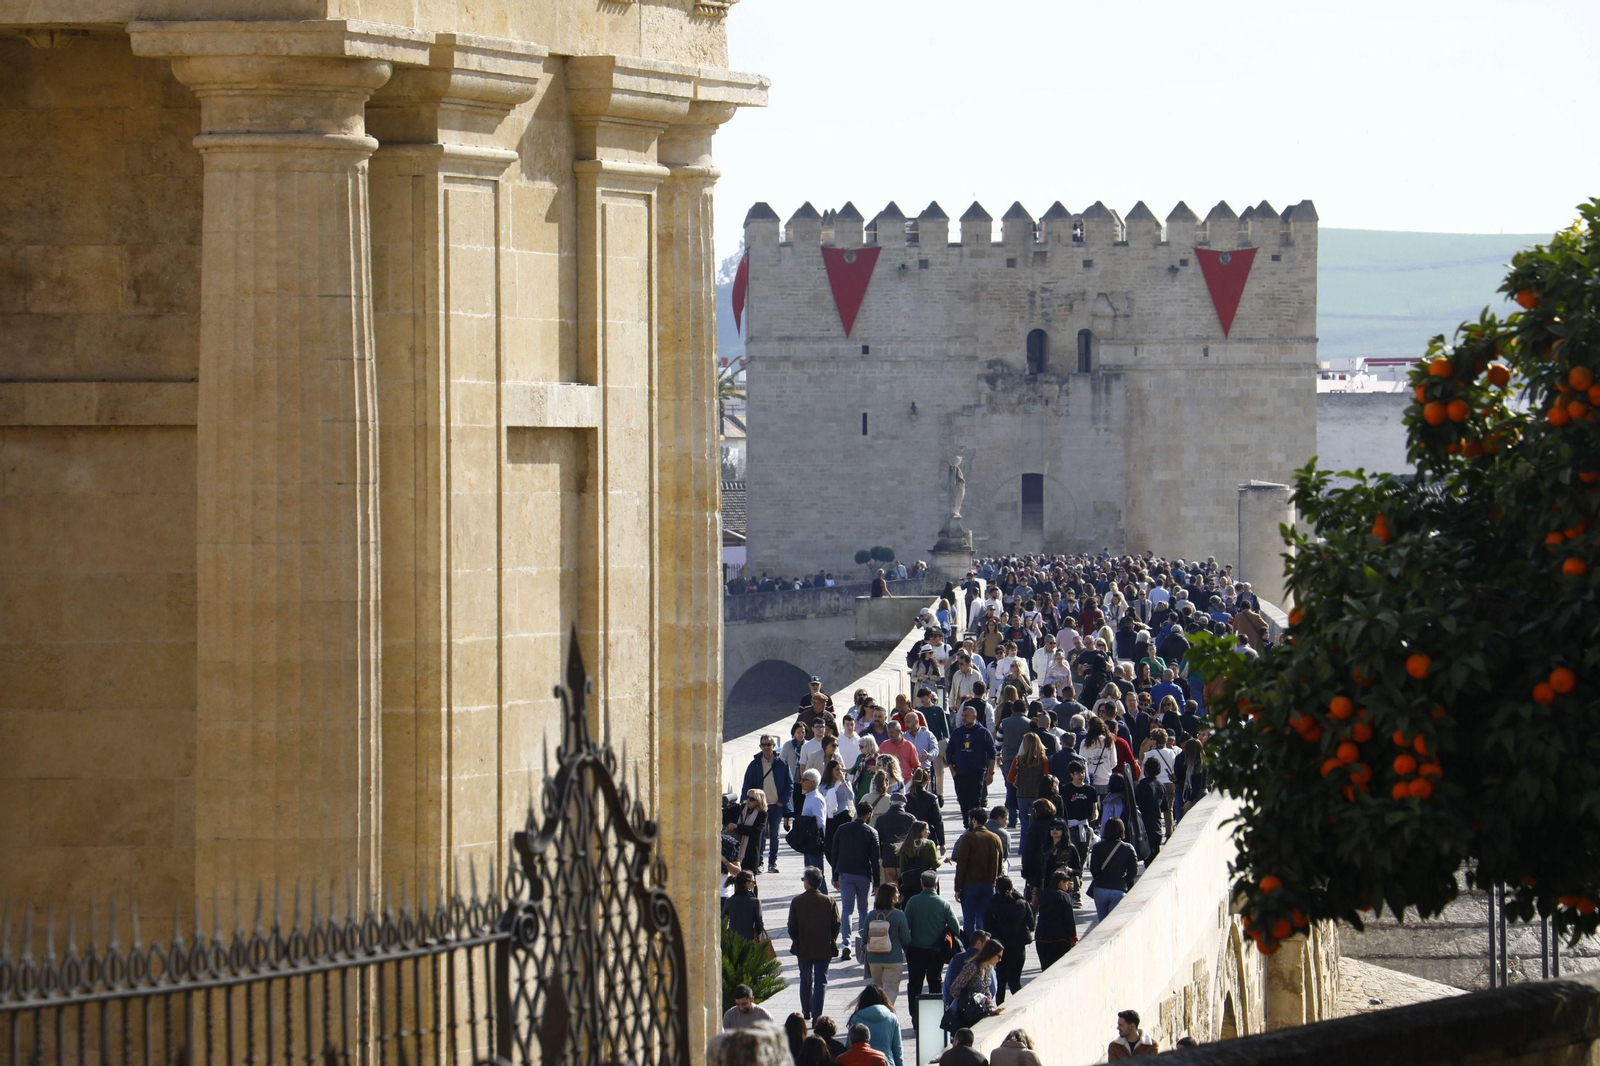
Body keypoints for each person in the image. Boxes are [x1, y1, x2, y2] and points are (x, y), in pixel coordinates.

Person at [830, 801, 882, 960]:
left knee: (846, 910)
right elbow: (875, 859)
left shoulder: (842, 829)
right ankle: (863, 944)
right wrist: (877, 882)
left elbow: (834, 853)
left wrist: (835, 875)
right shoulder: (872, 832)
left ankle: (846, 943)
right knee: (863, 909)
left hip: (845, 873)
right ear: (868, 815)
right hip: (863, 874)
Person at [789, 866, 841, 1021]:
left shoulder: (797, 901)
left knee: (805, 979)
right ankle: (817, 1014)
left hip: (803, 947)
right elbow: (836, 924)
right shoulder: (829, 901)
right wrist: (831, 938)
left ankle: (806, 1009)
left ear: (808, 883)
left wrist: (796, 940)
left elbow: (792, 926)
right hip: (823, 947)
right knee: (820, 982)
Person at [904, 871, 962, 1004]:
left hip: (916, 950)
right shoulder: (943, 903)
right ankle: (935, 1015)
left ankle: (915, 1015)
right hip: (937, 951)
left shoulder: (913, 902)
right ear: (936, 884)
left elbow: (905, 926)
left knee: (915, 984)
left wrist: (906, 945)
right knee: (935, 982)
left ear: (921, 884)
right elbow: (955, 928)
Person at [981, 877, 1034, 1005]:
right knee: (1015, 981)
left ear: (997, 889)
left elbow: (987, 927)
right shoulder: (1021, 902)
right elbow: (1031, 924)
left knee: (1001, 982)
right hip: (1018, 948)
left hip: (1000, 949)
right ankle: (1021, 1005)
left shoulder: (993, 905)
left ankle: (1000, 1007)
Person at [952, 808, 1004, 937]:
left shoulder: (968, 838)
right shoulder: (995, 838)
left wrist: (958, 888)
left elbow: (962, 864)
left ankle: (971, 948)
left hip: (970, 884)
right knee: (985, 919)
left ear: (973, 820)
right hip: (989, 884)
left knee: (969, 920)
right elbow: (1000, 864)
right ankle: (984, 946)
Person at [743, 735, 792, 873]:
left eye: (769, 745)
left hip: (776, 805)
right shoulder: (755, 764)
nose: (766, 748)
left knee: (775, 834)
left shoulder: (782, 763)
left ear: (774, 746)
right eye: (763, 745)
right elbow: (747, 784)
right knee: (760, 834)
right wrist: (746, 802)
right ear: (760, 747)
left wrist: (782, 801)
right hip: (760, 806)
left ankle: (773, 863)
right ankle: (759, 862)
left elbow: (790, 784)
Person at [860, 883, 912, 1005]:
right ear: (891, 897)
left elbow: (864, 938)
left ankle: (878, 1010)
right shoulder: (899, 915)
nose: (899, 894)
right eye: (897, 893)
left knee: (878, 989)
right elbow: (906, 940)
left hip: (873, 958)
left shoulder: (871, 915)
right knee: (891, 989)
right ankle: (886, 1013)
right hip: (893, 958)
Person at [947, 703, 998, 820]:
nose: (964, 718)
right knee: (963, 801)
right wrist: (952, 770)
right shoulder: (957, 732)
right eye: (963, 715)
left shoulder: (983, 732)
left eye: (966, 716)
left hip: (977, 773)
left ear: (974, 717)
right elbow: (949, 752)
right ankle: (966, 824)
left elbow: (992, 753)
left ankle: (975, 826)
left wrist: (990, 772)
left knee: (975, 802)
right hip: (960, 773)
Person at [1088, 817, 1140, 921]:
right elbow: (1134, 871)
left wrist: (1099, 877)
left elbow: (1093, 869)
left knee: (1102, 922)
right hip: (1119, 888)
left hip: (1100, 888)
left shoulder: (1098, 847)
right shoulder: (1128, 848)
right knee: (1113, 922)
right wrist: (1124, 880)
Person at [944, 940, 1005, 1025]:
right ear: (991, 954)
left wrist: (991, 1008)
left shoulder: (988, 969)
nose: (1000, 960)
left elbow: (987, 991)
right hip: (964, 1016)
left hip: (977, 1014)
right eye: (999, 956)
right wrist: (968, 1001)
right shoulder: (972, 967)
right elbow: (954, 989)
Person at [1007, 733, 1049, 848]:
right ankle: (1037, 847)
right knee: (1036, 823)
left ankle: (1023, 848)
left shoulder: (1018, 760)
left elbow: (1010, 778)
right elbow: (1046, 777)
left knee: (1024, 824)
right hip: (1037, 795)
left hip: (1022, 794)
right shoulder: (1043, 760)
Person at [847, 986, 904, 1066]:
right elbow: (898, 1050)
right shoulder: (892, 1018)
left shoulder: (856, 1018)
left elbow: (849, 1046)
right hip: (886, 1062)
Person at [1034, 869, 1079, 970]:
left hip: (1042, 938)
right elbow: (1069, 918)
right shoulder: (1064, 896)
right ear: (1061, 882)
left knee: (1045, 968)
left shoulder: (1043, 893)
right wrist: (1073, 938)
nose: (1067, 886)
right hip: (1059, 939)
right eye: (1066, 883)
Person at [942, 930, 998, 1010]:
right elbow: (993, 989)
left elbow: (947, 987)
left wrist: (948, 1005)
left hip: (954, 1009)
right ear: (979, 943)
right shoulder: (984, 962)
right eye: (987, 945)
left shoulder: (956, 959)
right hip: (976, 1010)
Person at [873, 792, 916, 886]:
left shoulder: (881, 819)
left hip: (888, 859)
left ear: (890, 803)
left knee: (890, 892)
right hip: (905, 860)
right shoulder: (910, 818)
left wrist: (881, 855)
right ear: (904, 805)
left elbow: (876, 840)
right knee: (905, 890)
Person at [796, 769, 829, 878]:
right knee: (809, 876)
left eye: (804, 780)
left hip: (814, 841)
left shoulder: (816, 799)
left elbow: (820, 822)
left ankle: (822, 894)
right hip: (808, 841)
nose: (801, 782)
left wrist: (805, 826)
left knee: (816, 876)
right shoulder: (809, 797)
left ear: (811, 782)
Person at [904, 768, 946, 853]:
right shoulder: (932, 798)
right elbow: (938, 822)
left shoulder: (906, 798)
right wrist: (942, 843)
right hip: (928, 835)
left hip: (911, 837)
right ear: (927, 781)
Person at [1135, 757, 1165, 860]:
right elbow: (1165, 807)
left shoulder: (1142, 785)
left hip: (1144, 827)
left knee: (1148, 858)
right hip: (1157, 826)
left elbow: (1136, 803)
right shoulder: (1161, 786)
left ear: (1145, 770)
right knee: (1155, 855)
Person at [721, 870, 764, 942]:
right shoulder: (755, 902)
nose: (755, 884)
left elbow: (723, 921)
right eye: (753, 882)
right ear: (747, 884)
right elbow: (759, 924)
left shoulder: (730, 901)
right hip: (749, 939)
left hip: (732, 940)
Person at [734, 789, 769, 872]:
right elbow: (725, 813)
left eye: (752, 799)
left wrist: (737, 827)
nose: (748, 801)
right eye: (747, 797)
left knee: (750, 877)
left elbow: (756, 831)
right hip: (737, 846)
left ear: (758, 801)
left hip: (751, 850)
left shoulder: (762, 814)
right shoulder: (742, 808)